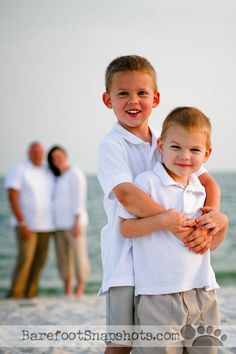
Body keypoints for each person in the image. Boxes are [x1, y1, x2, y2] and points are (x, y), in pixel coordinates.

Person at [97, 55, 227, 354]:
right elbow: (127, 195)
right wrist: (177, 225)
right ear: (108, 100)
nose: (134, 100)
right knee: (122, 342)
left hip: (157, 263)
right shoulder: (112, 144)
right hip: (125, 261)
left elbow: (208, 183)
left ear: (155, 98)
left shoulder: (167, 139)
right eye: (123, 93)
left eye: (142, 93)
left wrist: (213, 218)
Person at [120, 107, 228, 354]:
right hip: (159, 294)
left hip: (202, 292)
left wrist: (222, 223)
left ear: (207, 154)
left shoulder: (201, 190)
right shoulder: (147, 182)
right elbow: (126, 229)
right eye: (176, 147)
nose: (184, 156)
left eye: (194, 150)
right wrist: (162, 221)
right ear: (161, 146)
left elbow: (211, 245)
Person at [5, 142, 54, 299]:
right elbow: (12, 196)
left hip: (46, 226)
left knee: (39, 263)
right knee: (25, 261)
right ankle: (15, 295)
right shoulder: (18, 169)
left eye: (40, 152)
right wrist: (22, 223)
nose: (37, 155)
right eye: (34, 152)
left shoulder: (47, 171)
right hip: (27, 226)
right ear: (28, 153)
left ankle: (31, 295)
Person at [47, 145, 90, 297]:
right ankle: (68, 289)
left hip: (74, 224)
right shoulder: (57, 177)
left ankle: (80, 289)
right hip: (59, 225)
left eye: (59, 156)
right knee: (63, 259)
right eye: (53, 158)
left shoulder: (75, 173)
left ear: (65, 156)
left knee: (79, 256)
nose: (56, 160)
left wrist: (76, 223)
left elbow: (79, 199)